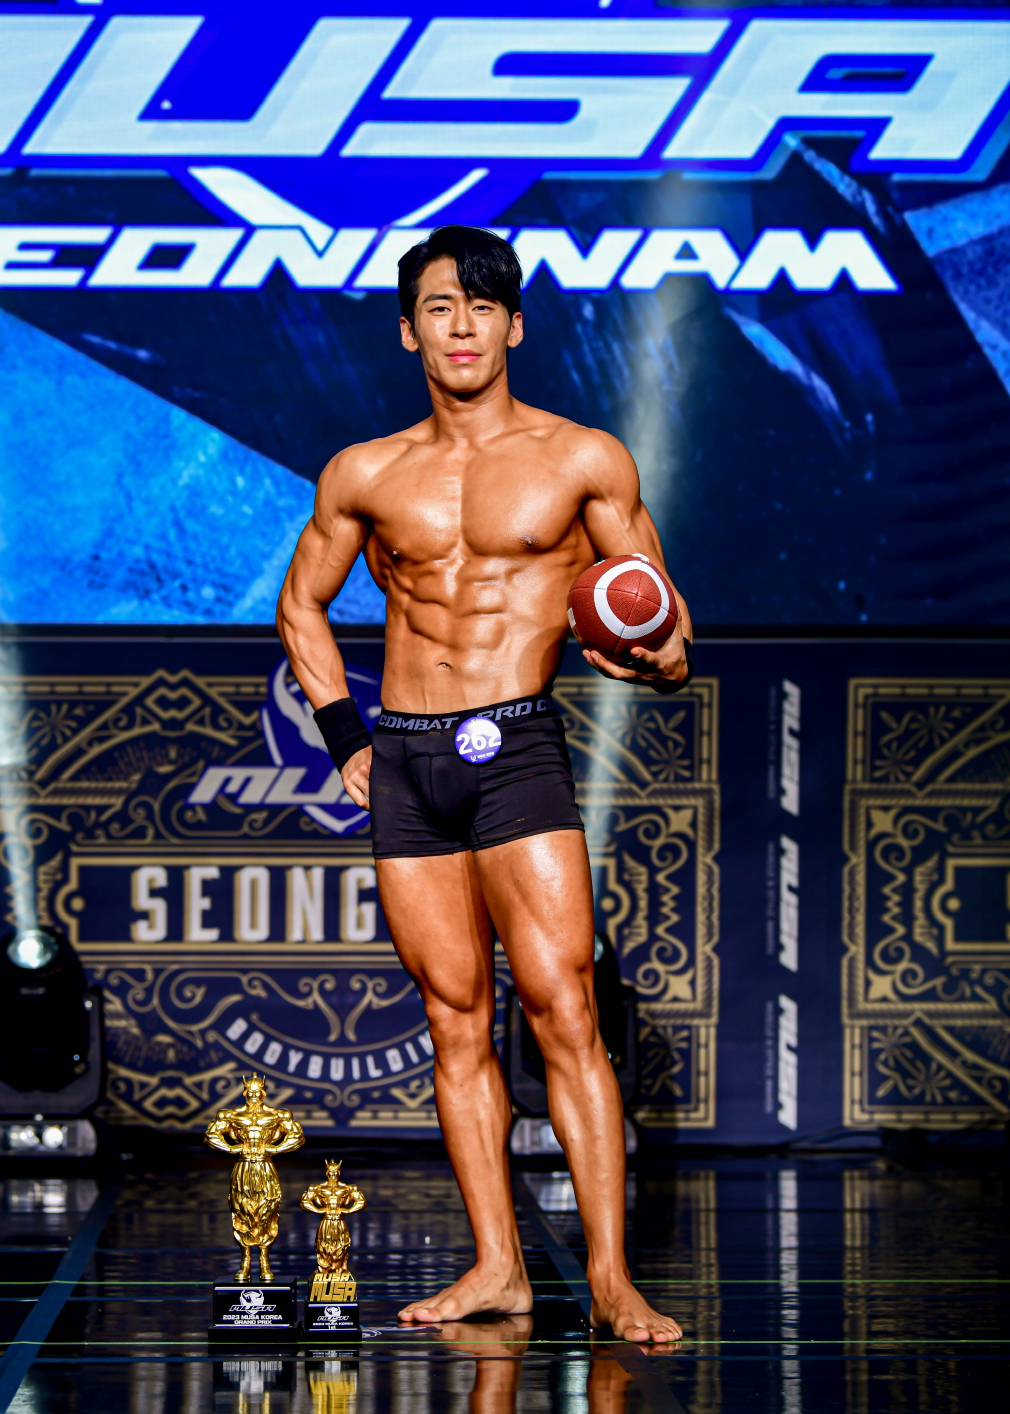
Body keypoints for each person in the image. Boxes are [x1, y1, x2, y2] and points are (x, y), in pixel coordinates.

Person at [275, 225, 692, 1343]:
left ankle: (610, 1279)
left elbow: (666, 626)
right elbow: (301, 604)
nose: (460, 326)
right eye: (438, 307)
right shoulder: (363, 472)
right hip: (408, 757)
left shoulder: (583, 460)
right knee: (452, 1019)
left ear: (514, 325)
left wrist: (648, 656)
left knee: (564, 1007)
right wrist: (344, 736)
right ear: (407, 331)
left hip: (514, 745)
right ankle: (499, 1264)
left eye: (481, 306)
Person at [205, 1072, 305, 1282]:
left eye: (257, 1091)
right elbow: (211, 1136)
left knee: (268, 1211)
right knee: (241, 1212)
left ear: (264, 1091)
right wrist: (231, 1149)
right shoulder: (231, 1115)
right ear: (244, 1092)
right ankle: (245, 1261)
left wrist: (274, 1149)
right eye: (250, 1091)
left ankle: (265, 1262)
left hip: (265, 1166)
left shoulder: (277, 1115)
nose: (253, 1095)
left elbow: (297, 1137)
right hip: (243, 1168)